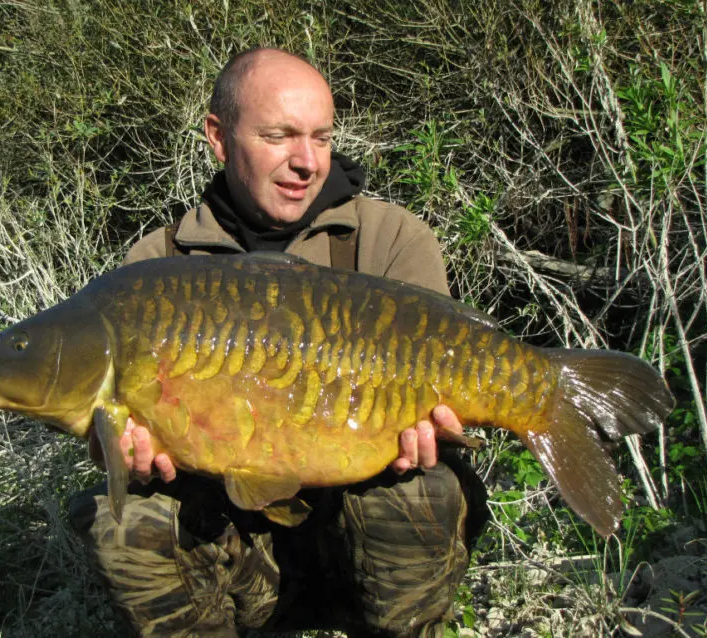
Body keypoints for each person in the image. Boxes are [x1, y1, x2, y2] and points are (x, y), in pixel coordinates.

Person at [69, 48, 488, 638]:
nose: (307, 162)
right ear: (218, 136)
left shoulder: (391, 240)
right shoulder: (157, 265)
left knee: (419, 493)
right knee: (123, 520)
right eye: (279, 136)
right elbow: (115, 433)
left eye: (321, 137)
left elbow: (439, 401)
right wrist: (125, 451)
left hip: (357, 538)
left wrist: (435, 434)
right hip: (236, 547)